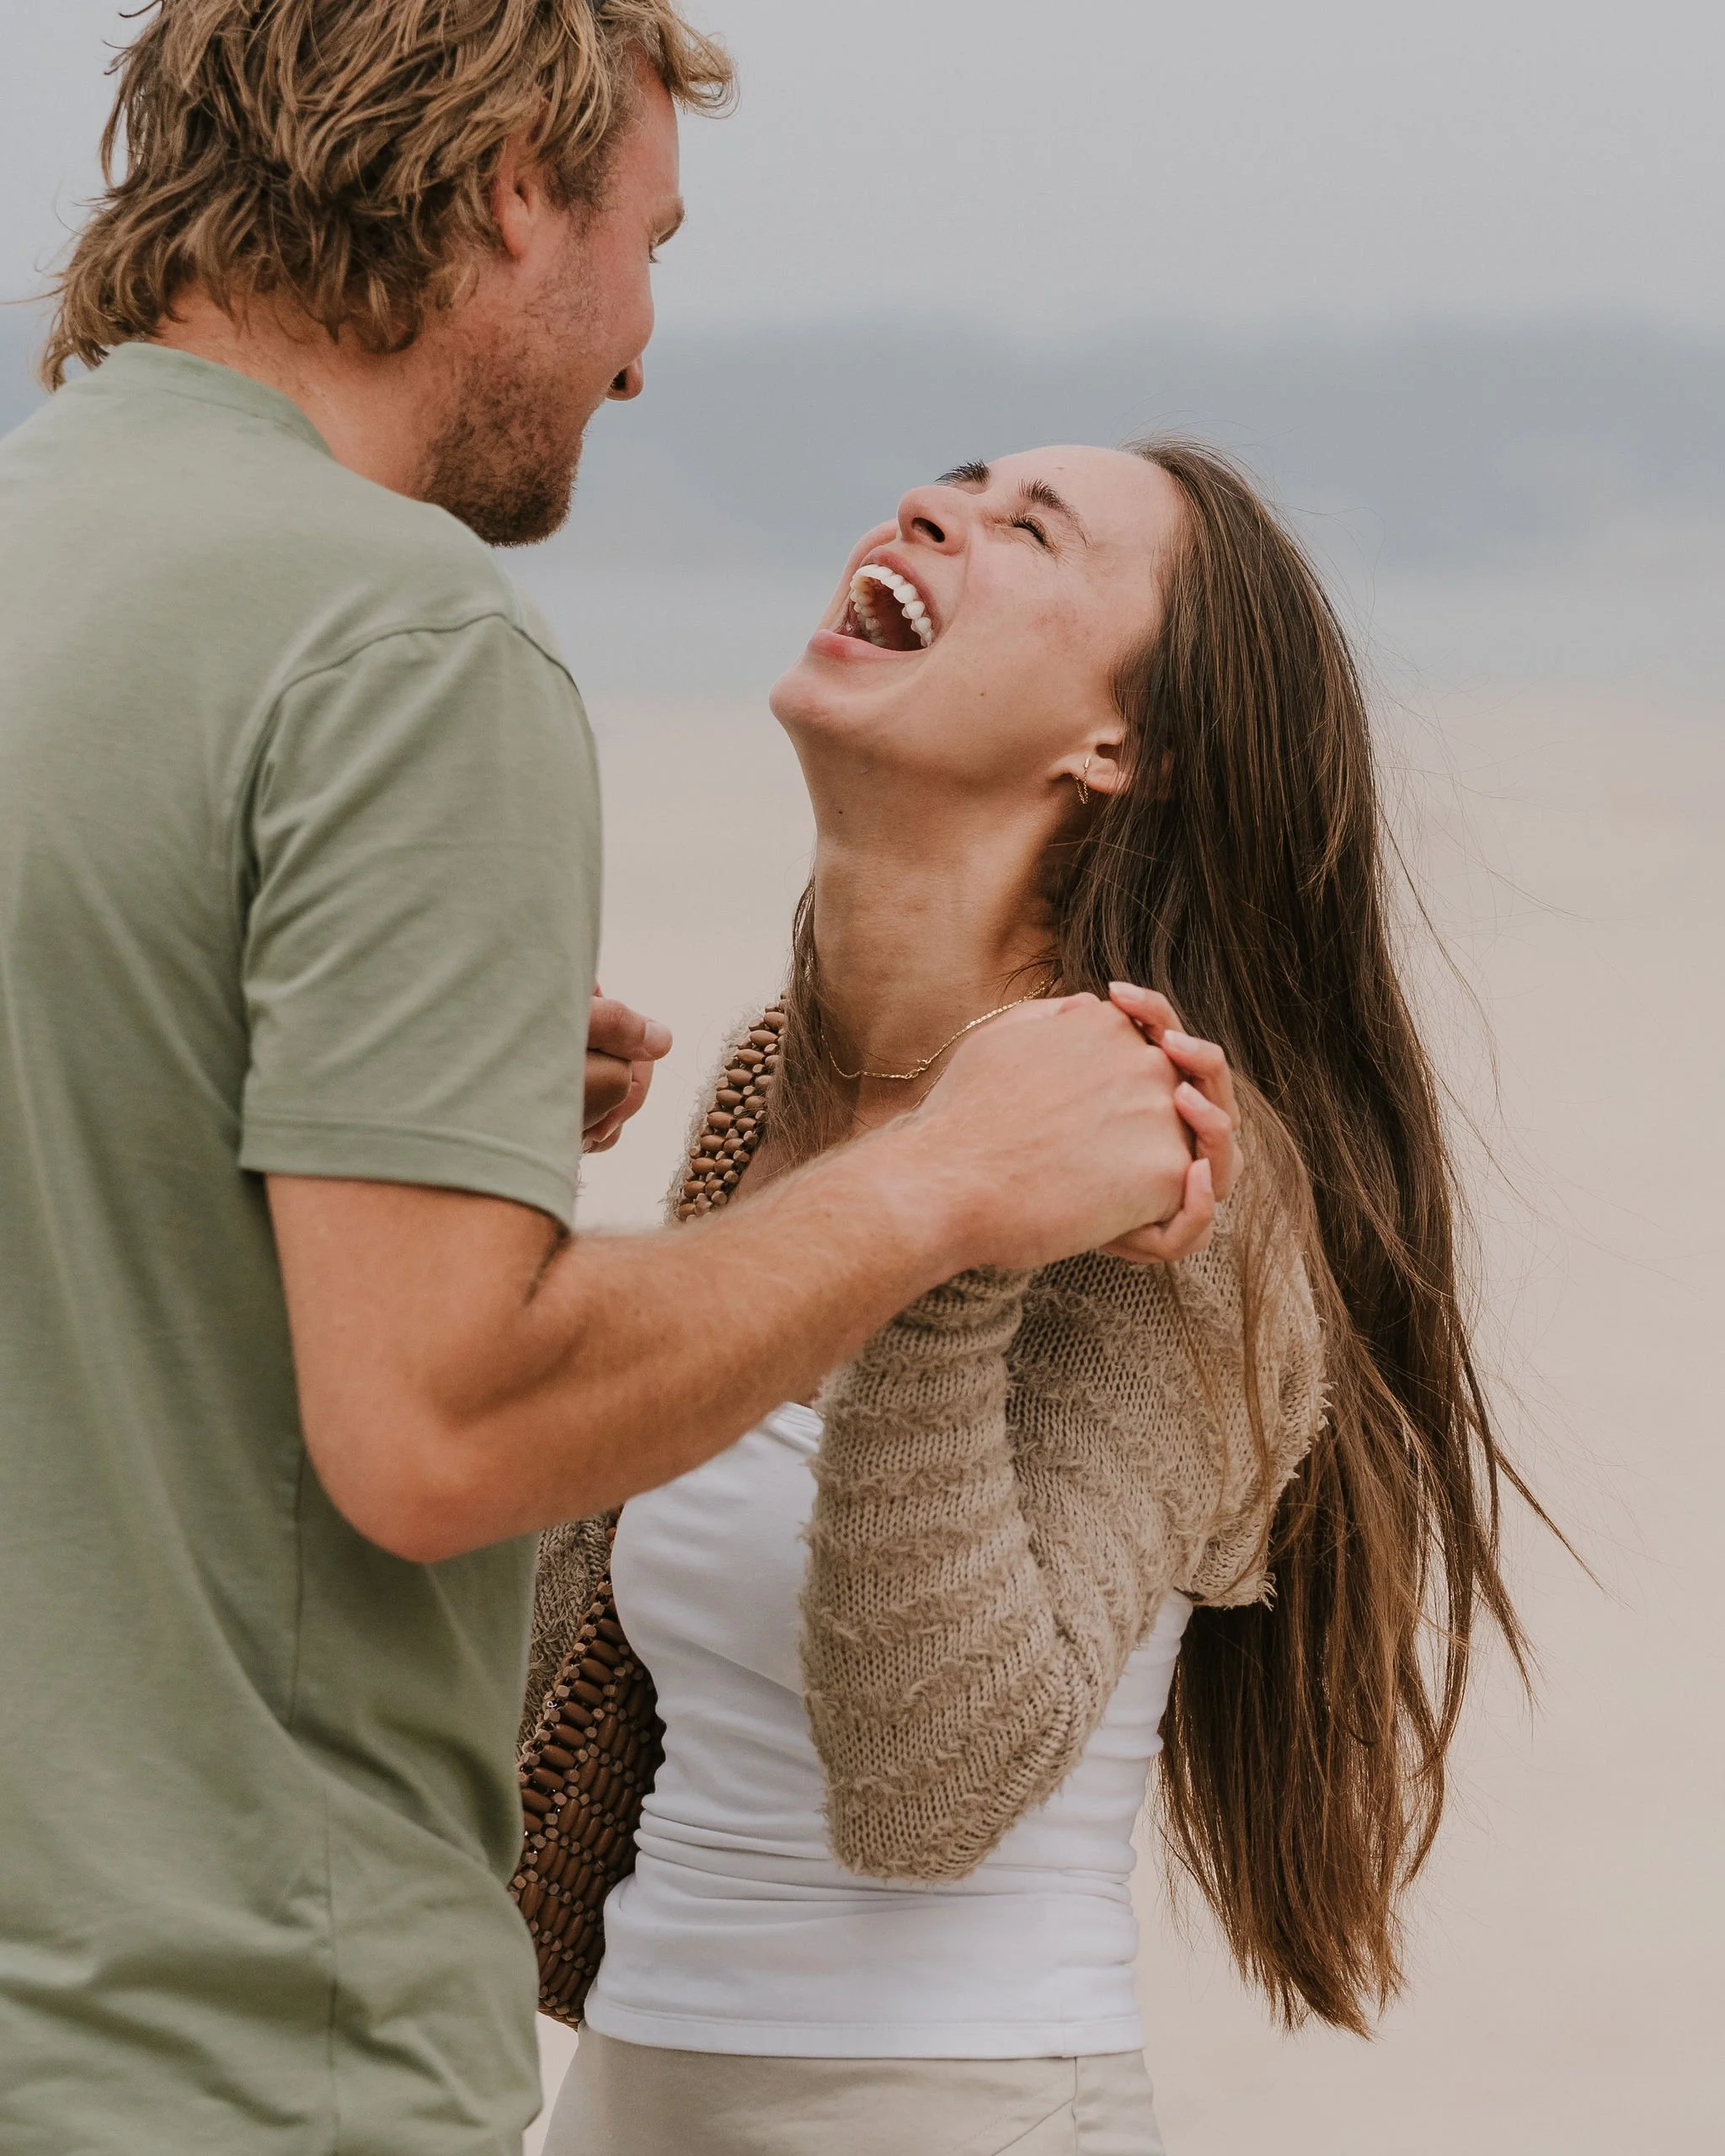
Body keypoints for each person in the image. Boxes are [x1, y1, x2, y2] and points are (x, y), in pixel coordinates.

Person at [0, 9, 1218, 2154]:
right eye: (648, 238)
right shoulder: (399, 643)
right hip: (244, 2051)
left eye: (1035, 529)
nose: (641, 345)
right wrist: (934, 1193)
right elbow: (445, 1426)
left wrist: (334, 1108)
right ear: (504, 191)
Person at [541, 442, 1542, 2155]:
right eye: (948, 485)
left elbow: (932, 1783)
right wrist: (470, 1178)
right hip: (627, 2092)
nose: (933, 513)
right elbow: (547, 1647)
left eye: (1029, 529)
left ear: (1116, 745)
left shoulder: (1175, 1177)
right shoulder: (772, 1082)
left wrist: (961, 1236)